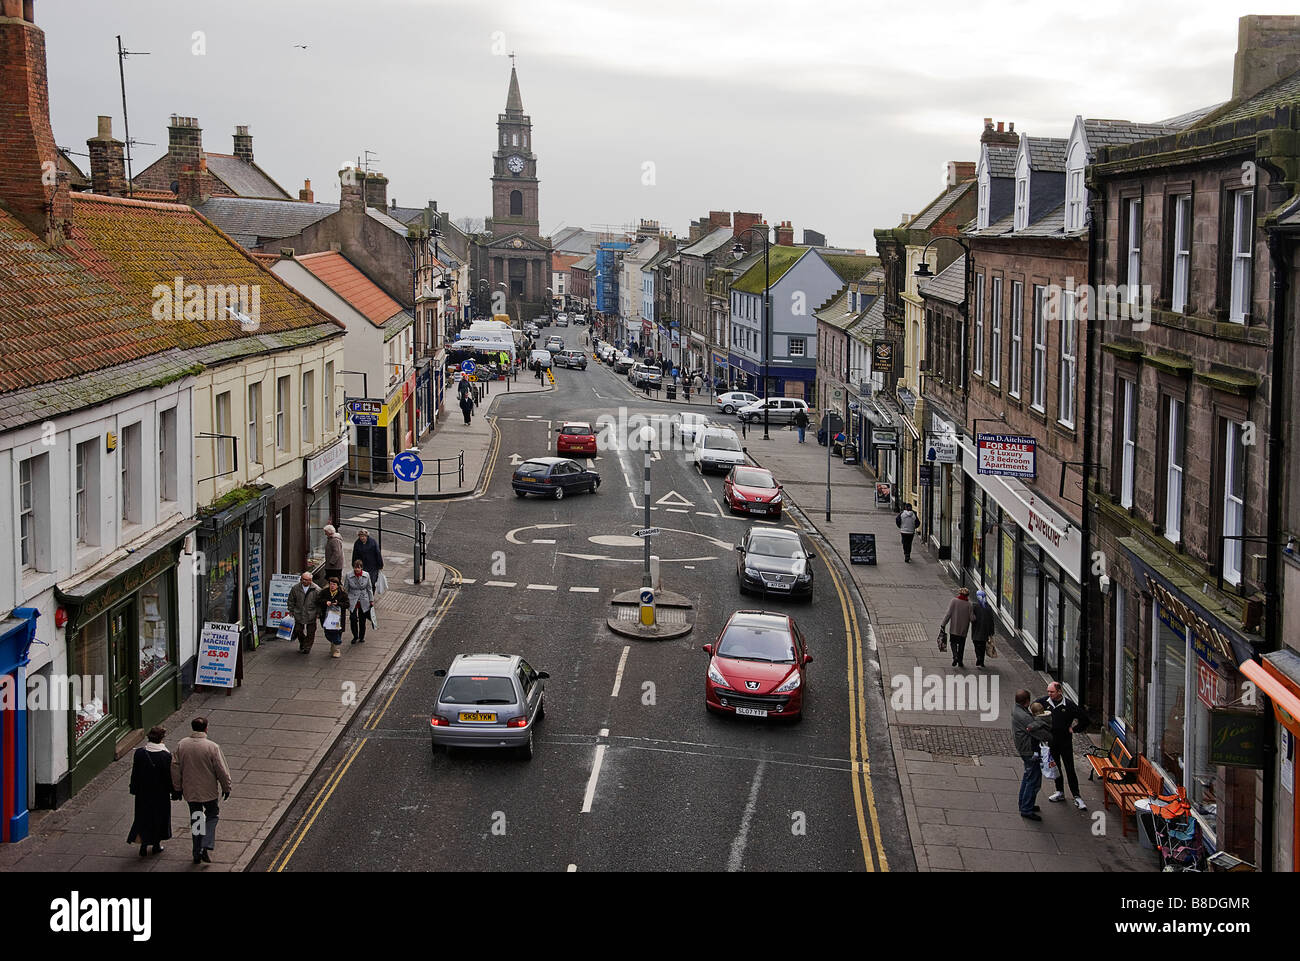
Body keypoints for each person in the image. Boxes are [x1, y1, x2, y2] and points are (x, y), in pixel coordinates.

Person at [171, 717, 232, 865]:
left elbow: (175, 768)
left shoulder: (182, 745)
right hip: (209, 791)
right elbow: (221, 770)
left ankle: (196, 851)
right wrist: (226, 787)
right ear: (206, 728)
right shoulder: (212, 747)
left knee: (197, 819)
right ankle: (206, 842)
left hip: (191, 791)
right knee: (212, 815)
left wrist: (177, 788)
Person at [1040, 680, 1089, 810]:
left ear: (1059, 691)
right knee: (1056, 767)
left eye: (1052, 692)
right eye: (1048, 691)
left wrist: (1075, 729)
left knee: (1070, 769)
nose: (1049, 694)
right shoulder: (1044, 702)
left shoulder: (1069, 705)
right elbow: (1034, 708)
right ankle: (1059, 791)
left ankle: (1076, 796)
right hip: (1051, 742)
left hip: (1065, 742)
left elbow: (1085, 719)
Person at [128, 725, 175, 857]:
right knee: (159, 817)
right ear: (161, 738)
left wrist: (134, 788)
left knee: (143, 817)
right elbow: (168, 777)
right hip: (160, 793)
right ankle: (156, 844)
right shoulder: (165, 756)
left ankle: (143, 844)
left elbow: (135, 773)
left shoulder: (140, 753)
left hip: (143, 792)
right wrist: (174, 790)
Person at [1011, 691, 1053, 820]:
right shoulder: (1025, 717)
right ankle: (1026, 809)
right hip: (1029, 750)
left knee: (1028, 776)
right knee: (1033, 779)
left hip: (1024, 748)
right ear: (1027, 701)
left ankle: (1024, 803)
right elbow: (1043, 735)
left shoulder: (1017, 710)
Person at [939, 587, 973, 668]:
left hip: (954, 628)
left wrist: (943, 624)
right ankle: (960, 661)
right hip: (963, 629)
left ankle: (955, 656)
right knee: (962, 644)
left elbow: (948, 614)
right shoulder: (969, 604)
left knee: (953, 642)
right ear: (967, 595)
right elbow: (972, 618)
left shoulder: (954, 601)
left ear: (959, 594)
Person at [286, 571, 319, 654]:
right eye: (303, 579)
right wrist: (291, 610)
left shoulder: (316, 589)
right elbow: (291, 600)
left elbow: (319, 603)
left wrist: (318, 613)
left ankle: (307, 647)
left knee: (311, 632)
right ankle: (303, 642)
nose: (304, 581)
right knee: (298, 630)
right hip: (298, 613)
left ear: (311, 580)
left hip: (311, 613)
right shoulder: (295, 588)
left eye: (307, 580)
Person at [345, 558, 375, 645]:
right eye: (355, 567)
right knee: (353, 619)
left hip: (363, 599)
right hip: (352, 600)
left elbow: (369, 588)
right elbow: (346, 589)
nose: (357, 569)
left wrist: (371, 600)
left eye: (358, 567)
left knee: (362, 619)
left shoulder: (367, 575)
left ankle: (361, 637)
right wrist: (345, 600)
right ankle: (355, 636)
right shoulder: (348, 575)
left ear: (361, 568)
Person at [318, 575, 346, 657]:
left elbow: (347, 604)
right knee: (328, 633)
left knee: (337, 633)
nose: (332, 586)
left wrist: (338, 603)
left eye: (334, 584)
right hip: (327, 616)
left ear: (337, 585)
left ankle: (337, 649)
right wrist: (325, 602)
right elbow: (318, 600)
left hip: (338, 617)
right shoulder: (324, 592)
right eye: (331, 584)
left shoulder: (342, 593)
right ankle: (333, 643)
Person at [970, 589, 997, 667]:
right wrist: (991, 631)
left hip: (976, 630)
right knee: (983, 646)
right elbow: (991, 620)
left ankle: (978, 657)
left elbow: (972, 618)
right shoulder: (988, 607)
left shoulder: (975, 606)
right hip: (985, 631)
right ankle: (981, 660)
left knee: (976, 645)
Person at [352, 529, 384, 593]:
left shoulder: (373, 542)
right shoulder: (357, 543)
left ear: (367, 536)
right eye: (360, 536)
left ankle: (371, 596)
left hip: (373, 566)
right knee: (362, 581)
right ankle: (364, 595)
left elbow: (378, 554)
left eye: (363, 536)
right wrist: (354, 564)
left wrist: (380, 565)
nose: (362, 538)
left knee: (372, 582)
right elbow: (355, 554)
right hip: (362, 566)